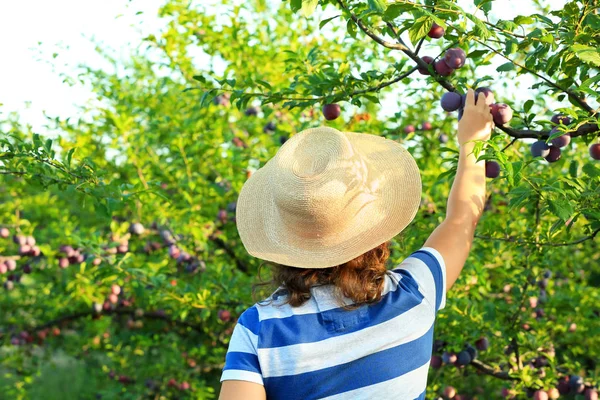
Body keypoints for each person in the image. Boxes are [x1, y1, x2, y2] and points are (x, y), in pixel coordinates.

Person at [218, 89, 493, 400]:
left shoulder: (260, 330)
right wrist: (473, 143)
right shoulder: (414, 293)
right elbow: (461, 220)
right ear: (374, 227)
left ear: (284, 239)